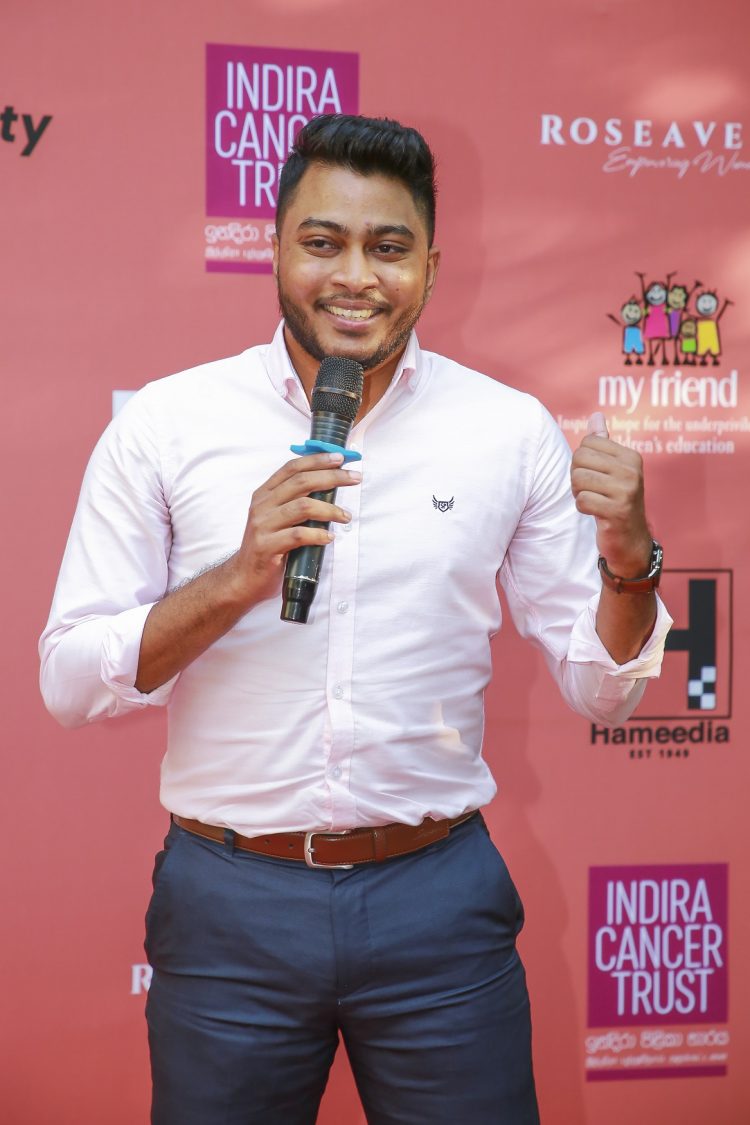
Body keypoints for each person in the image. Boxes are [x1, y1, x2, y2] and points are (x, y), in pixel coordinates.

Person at [40, 114, 671, 1125]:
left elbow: (605, 693)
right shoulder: (166, 423)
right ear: (275, 249)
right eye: (323, 242)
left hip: (438, 904)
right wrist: (238, 577)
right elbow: (69, 681)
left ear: (430, 265)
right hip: (229, 907)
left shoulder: (508, 432)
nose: (355, 278)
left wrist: (631, 563)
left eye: (388, 248)